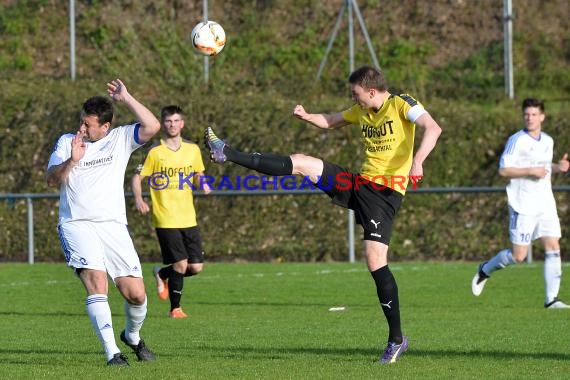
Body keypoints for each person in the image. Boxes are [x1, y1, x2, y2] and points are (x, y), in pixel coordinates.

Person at [203, 65, 442, 364]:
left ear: (371, 91)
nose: (353, 99)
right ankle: (228, 152)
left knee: (375, 260)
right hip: (358, 183)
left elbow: (433, 128)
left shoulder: (401, 102)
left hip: (385, 194)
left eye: (355, 94)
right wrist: (307, 117)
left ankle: (396, 340)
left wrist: (418, 161)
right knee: (303, 162)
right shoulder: (361, 112)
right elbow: (331, 120)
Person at [46, 79, 161, 366]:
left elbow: (153, 126)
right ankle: (113, 353)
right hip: (76, 224)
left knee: (136, 295)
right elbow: (51, 180)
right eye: (81, 122)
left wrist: (128, 97)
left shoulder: (120, 138)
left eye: (88, 125)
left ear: (104, 127)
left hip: (112, 226)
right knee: (97, 282)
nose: (82, 129)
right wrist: (72, 161)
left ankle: (132, 337)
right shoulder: (66, 142)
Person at [471, 98, 570, 309]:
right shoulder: (517, 140)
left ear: (542, 117)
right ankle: (485, 269)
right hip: (522, 204)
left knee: (553, 246)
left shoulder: (548, 141)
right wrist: (529, 171)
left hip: (545, 202)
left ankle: (551, 299)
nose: (530, 118)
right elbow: (503, 170)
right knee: (519, 256)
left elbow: (543, 166)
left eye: (534, 114)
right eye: (526, 114)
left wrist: (558, 166)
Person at [132, 105, 212, 319]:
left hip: (188, 216)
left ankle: (161, 273)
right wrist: (139, 199)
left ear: (182, 123)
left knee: (195, 267)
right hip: (165, 216)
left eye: (176, 121)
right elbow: (137, 177)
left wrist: (203, 183)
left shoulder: (193, 150)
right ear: (163, 123)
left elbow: (198, 173)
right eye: (168, 121)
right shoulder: (155, 152)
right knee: (181, 263)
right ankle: (175, 309)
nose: (172, 125)